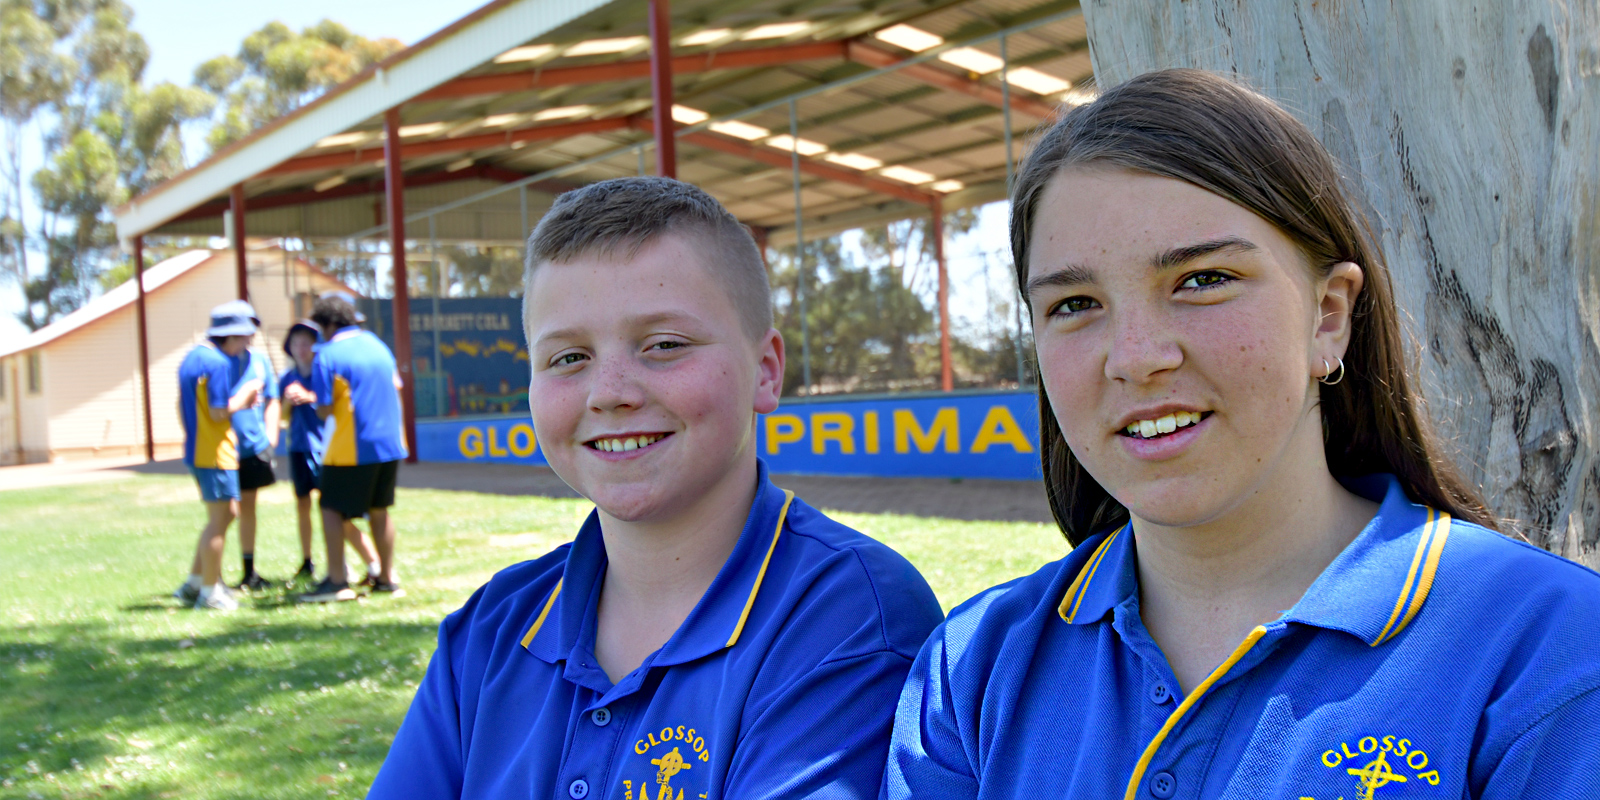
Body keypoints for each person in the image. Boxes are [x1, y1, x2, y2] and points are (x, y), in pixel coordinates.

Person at [883, 69, 1600, 799]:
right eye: (1074, 303)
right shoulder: (973, 668)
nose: (1134, 358)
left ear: (1328, 316)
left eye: (1202, 280)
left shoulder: (1552, 652)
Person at [367, 177, 944, 799]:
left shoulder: (849, 616)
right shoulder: (493, 627)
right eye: (567, 358)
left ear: (766, 372)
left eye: (664, 345)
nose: (610, 390)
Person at [296, 292, 408, 602]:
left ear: (329, 324)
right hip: (390, 444)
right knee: (379, 510)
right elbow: (396, 386)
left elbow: (324, 407)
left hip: (351, 445)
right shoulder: (378, 345)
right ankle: (387, 578)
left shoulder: (328, 354)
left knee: (331, 507)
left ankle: (336, 581)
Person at [172, 300, 264, 612]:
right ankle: (210, 593)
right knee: (219, 520)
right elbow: (219, 411)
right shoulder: (219, 364)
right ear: (230, 336)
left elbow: (180, 406)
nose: (247, 344)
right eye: (244, 337)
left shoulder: (191, 358)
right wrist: (247, 396)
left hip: (198, 452)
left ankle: (195, 581)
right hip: (216, 453)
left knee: (225, 515)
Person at [279, 319, 381, 587]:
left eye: (306, 343)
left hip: (328, 450)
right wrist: (288, 402)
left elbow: (332, 407)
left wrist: (310, 397)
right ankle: (308, 560)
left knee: (338, 512)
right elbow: (282, 417)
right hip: (299, 448)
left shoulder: (325, 369)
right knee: (304, 506)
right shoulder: (287, 378)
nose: (301, 349)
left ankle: (369, 565)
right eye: (296, 343)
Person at [230, 337, 281, 591]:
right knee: (224, 513)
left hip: (253, 449)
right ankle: (209, 578)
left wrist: (271, 436)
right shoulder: (217, 362)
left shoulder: (259, 360)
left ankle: (249, 573)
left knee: (247, 509)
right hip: (224, 449)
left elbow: (273, 398)